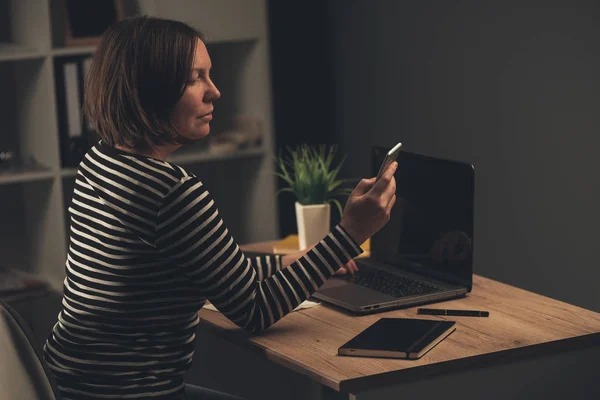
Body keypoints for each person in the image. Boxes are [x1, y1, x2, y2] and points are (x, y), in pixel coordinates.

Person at [42, 16, 397, 400]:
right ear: (151, 89)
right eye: (195, 78)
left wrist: (295, 259)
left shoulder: (100, 161)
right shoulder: (172, 193)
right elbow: (254, 310)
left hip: (67, 384)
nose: (215, 92)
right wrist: (349, 235)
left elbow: (206, 268)